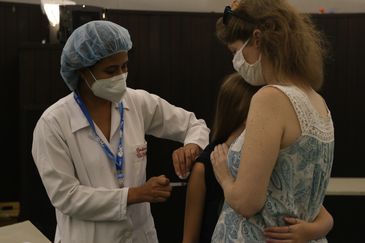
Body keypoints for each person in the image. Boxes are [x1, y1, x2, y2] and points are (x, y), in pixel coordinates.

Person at [31, 20, 209, 243]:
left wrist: (191, 146)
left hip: (139, 235)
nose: (121, 76)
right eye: (111, 70)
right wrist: (136, 194)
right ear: (84, 72)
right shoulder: (53, 123)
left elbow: (194, 124)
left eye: (124, 66)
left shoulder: (136, 102)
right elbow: (66, 197)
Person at [210, 0, 335, 242]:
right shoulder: (317, 100)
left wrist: (224, 177)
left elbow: (247, 202)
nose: (236, 62)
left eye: (236, 52)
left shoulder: (270, 98)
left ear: (257, 39)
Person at [182, 73, 333, 243]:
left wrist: (308, 231)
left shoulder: (270, 154)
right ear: (246, 115)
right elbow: (190, 237)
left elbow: (322, 214)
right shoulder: (204, 167)